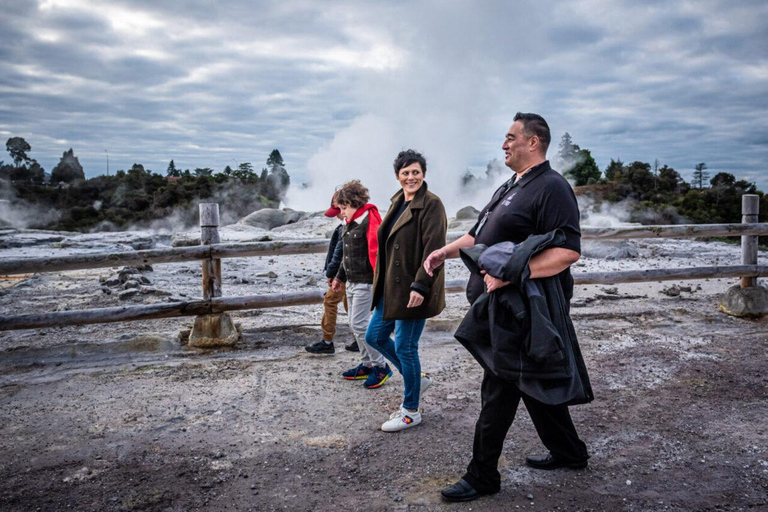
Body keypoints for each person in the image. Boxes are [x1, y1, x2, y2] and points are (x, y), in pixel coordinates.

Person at [424, 113, 592, 501]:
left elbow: (567, 252)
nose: (504, 144)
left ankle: (482, 475)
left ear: (533, 142)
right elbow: (477, 234)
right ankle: (571, 452)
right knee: (529, 379)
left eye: (511, 137)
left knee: (499, 387)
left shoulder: (553, 187)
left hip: (524, 307)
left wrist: (515, 275)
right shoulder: (512, 185)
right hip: (499, 304)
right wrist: (444, 253)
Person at [365, 149, 447, 432]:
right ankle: (417, 379)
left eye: (416, 172)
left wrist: (421, 285)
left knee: (405, 347)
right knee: (373, 336)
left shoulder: (432, 204)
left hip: (414, 287)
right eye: (405, 172)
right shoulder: (398, 201)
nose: (411, 177)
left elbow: (433, 250)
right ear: (397, 175)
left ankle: (411, 411)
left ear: (423, 173)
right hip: (392, 287)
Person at [331, 180, 392, 388]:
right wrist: (339, 277)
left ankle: (381, 366)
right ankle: (367, 364)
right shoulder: (349, 223)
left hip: (366, 283)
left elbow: (379, 254)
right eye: (340, 208)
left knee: (360, 325)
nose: (342, 212)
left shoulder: (369, 222)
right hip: (351, 282)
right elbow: (347, 256)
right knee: (354, 325)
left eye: (344, 207)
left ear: (355, 202)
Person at [305, 191, 356, 354]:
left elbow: (339, 253)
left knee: (330, 301)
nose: (337, 215)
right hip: (351, 273)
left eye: (339, 210)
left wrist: (331, 273)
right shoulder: (351, 224)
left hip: (343, 275)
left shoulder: (347, 226)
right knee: (351, 306)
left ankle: (328, 341)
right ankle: (358, 339)